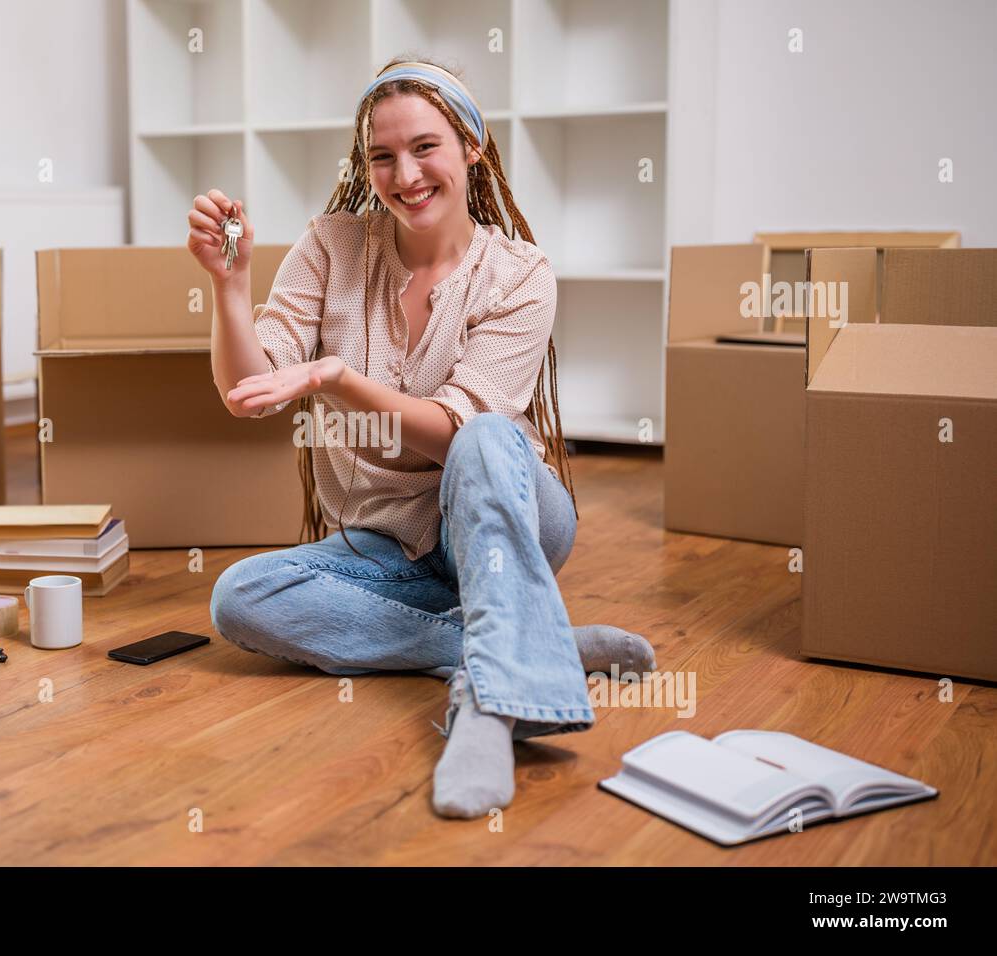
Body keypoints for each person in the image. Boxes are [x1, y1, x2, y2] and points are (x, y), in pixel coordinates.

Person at [188, 56, 654, 819]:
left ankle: (485, 704)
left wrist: (334, 377)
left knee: (479, 439)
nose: (404, 173)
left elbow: (454, 433)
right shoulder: (331, 245)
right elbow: (250, 391)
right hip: (385, 542)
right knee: (239, 598)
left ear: (472, 146)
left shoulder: (519, 274)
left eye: (425, 147)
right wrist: (230, 288)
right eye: (382, 155)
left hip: (510, 516)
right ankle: (519, 648)